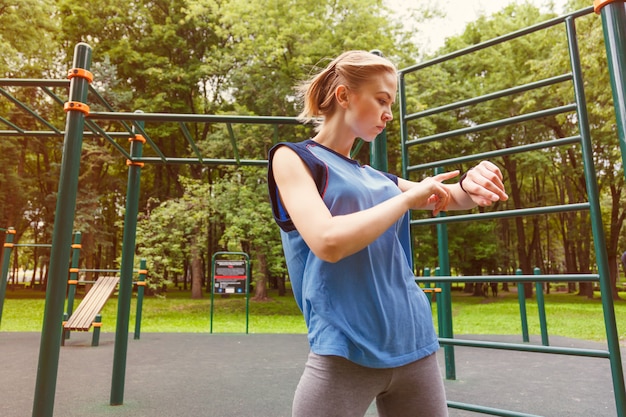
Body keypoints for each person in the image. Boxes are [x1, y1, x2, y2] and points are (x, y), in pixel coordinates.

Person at [267, 50, 508, 417]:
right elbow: (327, 242)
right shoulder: (295, 159)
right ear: (344, 95)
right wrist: (407, 198)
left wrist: (474, 181)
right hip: (344, 349)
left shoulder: (377, 178)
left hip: (414, 343)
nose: (389, 113)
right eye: (381, 100)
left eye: (391, 103)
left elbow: (450, 196)